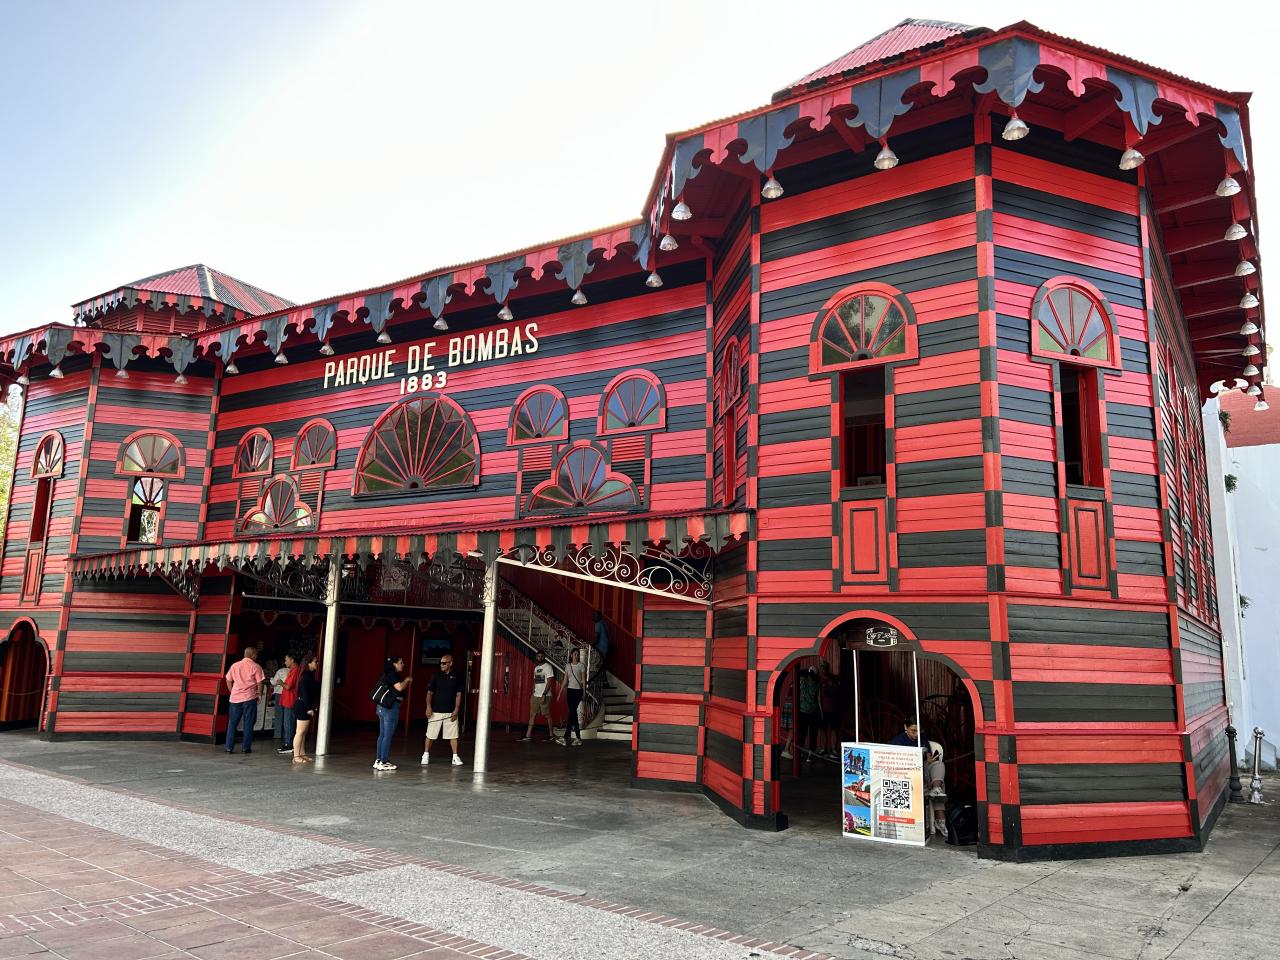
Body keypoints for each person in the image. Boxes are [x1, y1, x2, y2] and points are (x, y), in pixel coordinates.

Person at [422, 653, 464, 766]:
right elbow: (429, 692)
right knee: (430, 734)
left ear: (451, 663)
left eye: (444, 663)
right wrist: (428, 706)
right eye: (440, 663)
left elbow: (458, 694)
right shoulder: (435, 675)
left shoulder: (457, 676)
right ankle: (425, 755)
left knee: (453, 735)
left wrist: (456, 709)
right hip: (436, 710)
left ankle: (455, 756)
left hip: (450, 711)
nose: (441, 665)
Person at [224, 646, 266, 754]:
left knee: (232, 723)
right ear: (252, 655)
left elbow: (228, 680)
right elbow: (260, 683)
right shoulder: (256, 666)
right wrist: (259, 694)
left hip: (235, 699)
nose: (257, 656)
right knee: (248, 724)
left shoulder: (235, 665)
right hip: (249, 699)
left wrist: (232, 691)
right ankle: (246, 748)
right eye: (256, 654)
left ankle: (229, 747)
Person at [374, 656, 412, 771]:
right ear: (395, 664)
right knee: (388, 735)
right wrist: (407, 680)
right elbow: (399, 687)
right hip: (390, 708)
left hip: (381, 707)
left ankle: (378, 760)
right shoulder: (393, 674)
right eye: (401, 662)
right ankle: (384, 761)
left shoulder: (385, 674)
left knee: (382, 734)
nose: (403, 664)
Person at [521, 651, 558, 743]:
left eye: (541, 656)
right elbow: (536, 682)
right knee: (532, 714)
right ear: (536, 657)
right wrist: (533, 692)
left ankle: (551, 735)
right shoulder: (536, 668)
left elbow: (549, 681)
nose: (540, 658)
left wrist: (544, 694)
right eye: (538, 656)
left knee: (547, 715)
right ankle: (528, 735)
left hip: (545, 695)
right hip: (536, 695)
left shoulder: (548, 667)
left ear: (544, 657)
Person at [293, 654, 320, 764]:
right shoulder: (306, 676)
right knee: (300, 732)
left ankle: (302, 753)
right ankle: (296, 756)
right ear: (309, 663)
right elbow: (305, 694)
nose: (317, 663)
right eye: (315, 661)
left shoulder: (309, 675)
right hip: (303, 706)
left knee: (303, 732)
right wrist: (309, 708)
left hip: (304, 705)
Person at [557, 648, 584, 746]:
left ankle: (565, 737)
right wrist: (560, 693)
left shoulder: (581, 665)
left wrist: (584, 693)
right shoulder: (568, 666)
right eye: (575, 654)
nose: (577, 656)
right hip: (570, 691)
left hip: (578, 691)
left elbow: (583, 680)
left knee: (572, 712)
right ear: (571, 655)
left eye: (578, 654)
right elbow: (565, 680)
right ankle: (578, 738)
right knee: (573, 714)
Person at [275, 654, 300, 756]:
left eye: (286, 660)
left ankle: (289, 745)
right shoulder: (292, 671)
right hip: (287, 699)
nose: (285, 662)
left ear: (292, 660)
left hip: (290, 700)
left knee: (288, 723)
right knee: (287, 722)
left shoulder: (295, 671)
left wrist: (280, 682)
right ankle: (287, 743)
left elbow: (288, 687)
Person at [796, 666, 820, 762]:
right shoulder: (816, 684)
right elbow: (818, 699)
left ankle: (801, 752)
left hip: (803, 711)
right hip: (813, 711)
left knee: (802, 733)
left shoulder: (803, 682)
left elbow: (799, 672)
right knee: (813, 734)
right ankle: (810, 754)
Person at [818, 660, 841, 756]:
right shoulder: (819, 680)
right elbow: (818, 695)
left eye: (824, 668)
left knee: (834, 729)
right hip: (823, 709)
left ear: (827, 669)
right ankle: (823, 748)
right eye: (822, 668)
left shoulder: (833, 678)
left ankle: (834, 749)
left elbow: (838, 691)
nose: (823, 670)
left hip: (833, 708)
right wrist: (820, 709)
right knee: (823, 729)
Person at [589, 611, 610, 682]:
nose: (594, 617)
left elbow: (597, 636)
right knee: (602, 664)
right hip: (605, 646)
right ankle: (604, 680)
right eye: (594, 615)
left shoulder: (598, 624)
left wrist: (593, 644)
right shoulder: (603, 623)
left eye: (595, 616)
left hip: (601, 647)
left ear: (599, 617)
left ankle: (602, 680)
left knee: (599, 664)